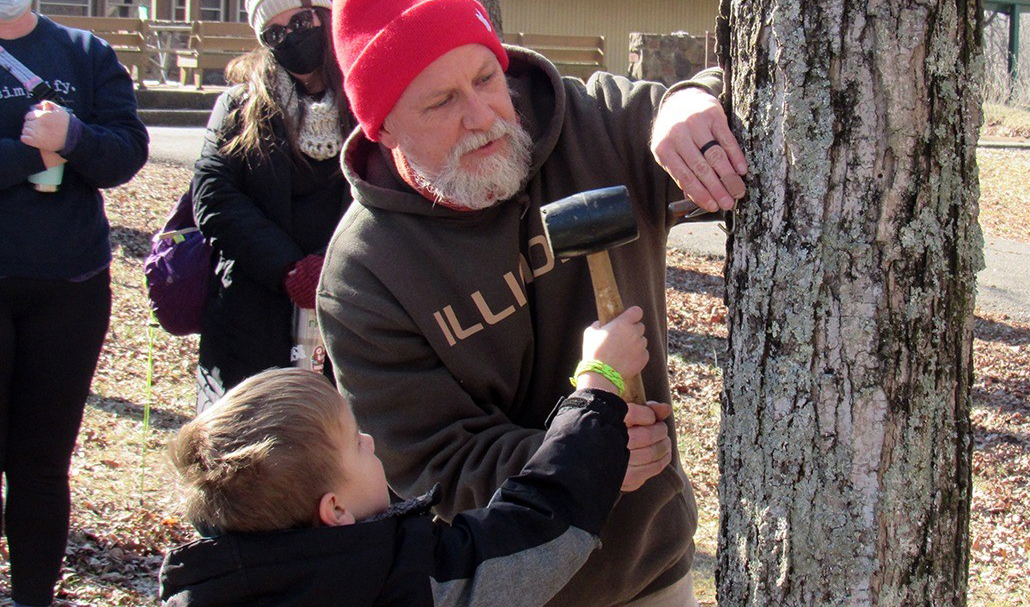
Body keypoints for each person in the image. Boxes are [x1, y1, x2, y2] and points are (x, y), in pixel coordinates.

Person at [318, 1, 748, 605]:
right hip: (516, 585)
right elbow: (430, 463)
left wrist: (687, 101)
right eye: (440, 102)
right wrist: (588, 456)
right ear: (383, 129)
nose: (481, 116)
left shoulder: (595, 126)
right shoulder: (364, 276)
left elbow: (743, 90)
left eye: (485, 78)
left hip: (651, 565)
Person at [159, 301, 646, 606]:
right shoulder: (403, 581)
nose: (369, 441)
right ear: (335, 511)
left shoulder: (205, 585)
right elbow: (539, 524)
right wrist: (598, 385)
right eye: (355, 442)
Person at [0, 2, 149, 605]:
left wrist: (76, 138)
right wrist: (36, 154)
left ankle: (34, 595)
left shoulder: (85, 53)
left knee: (41, 462)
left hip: (71, 289)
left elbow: (128, 149)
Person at [192, 0, 353, 412]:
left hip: (352, 300)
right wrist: (288, 269)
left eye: (301, 21)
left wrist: (331, 263)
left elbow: (389, 186)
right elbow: (212, 194)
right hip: (253, 309)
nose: (293, 37)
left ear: (324, 16)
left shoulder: (365, 98)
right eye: (275, 34)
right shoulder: (239, 106)